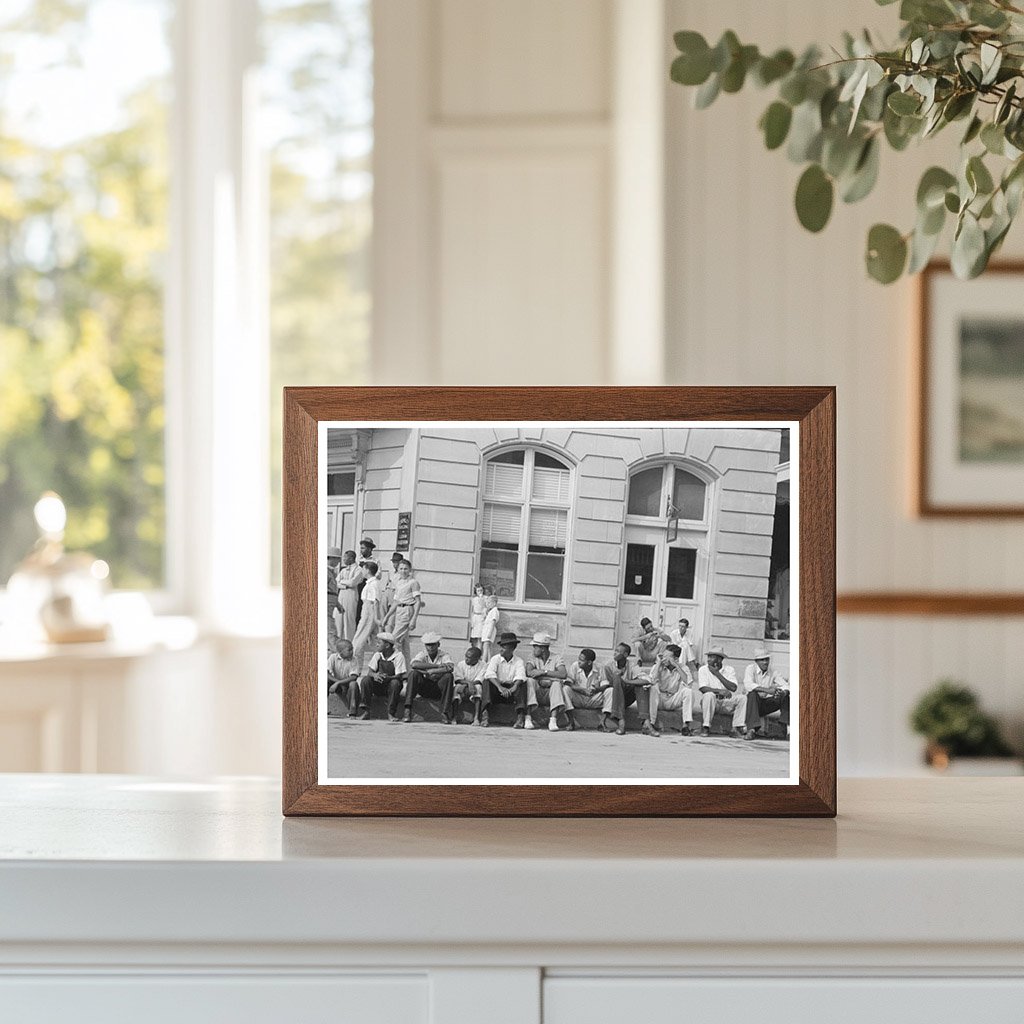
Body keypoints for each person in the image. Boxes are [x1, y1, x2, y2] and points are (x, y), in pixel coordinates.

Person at [549, 648, 615, 732]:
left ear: (589, 662)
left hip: (593, 698)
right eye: (579, 659)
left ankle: (602, 723)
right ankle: (571, 722)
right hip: (579, 697)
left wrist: (596, 689)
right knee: (566, 689)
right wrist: (583, 690)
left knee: (610, 691)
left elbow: (605, 684)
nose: (579, 661)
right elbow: (568, 683)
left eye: (582, 660)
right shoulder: (575, 666)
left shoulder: (599, 667)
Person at [482, 631, 535, 729]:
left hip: (511, 692)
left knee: (522, 684)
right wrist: (500, 687)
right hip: (498, 691)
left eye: (503, 647)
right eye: (501, 647)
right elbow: (489, 673)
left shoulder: (518, 661)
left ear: (511, 649)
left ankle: (520, 717)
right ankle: (485, 715)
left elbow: (521, 675)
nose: (500, 650)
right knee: (487, 681)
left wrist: (514, 687)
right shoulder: (495, 659)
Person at [696, 644, 748, 737]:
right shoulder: (703, 670)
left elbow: (733, 688)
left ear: (719, 660)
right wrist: (720, 691)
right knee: (709, 695)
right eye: (708, 657)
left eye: (712, 657)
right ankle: (706, 727)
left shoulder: (729, 669)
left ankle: (736, 728)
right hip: (711, 702)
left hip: (725, 701)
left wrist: (717, 674)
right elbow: (703, 688)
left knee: (743, 698)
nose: (708, 659)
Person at [356, 631, 407, 722]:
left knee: (395, 683)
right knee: (366, 680)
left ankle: (391, 713)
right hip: (379, 686)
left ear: (387, 645)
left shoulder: (398, 656)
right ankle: (366, 711)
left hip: (391, 687)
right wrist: (375, 675)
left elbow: (399, 675)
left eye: (379, 643)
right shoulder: (377, 655)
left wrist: (387, 678)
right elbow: (370, 672)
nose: (376, 645)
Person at [406, 631, 456, 724]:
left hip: (438, 688)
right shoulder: (422, 654)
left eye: (433, 645)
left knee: (449, 676)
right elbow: (414, 664)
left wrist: (433, 671)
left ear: (438, 644)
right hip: (424, 687)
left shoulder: (444, 655)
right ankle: (408, 708)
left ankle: (445, 712)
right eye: (428, 645)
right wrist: (436, 667)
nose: (430, 648)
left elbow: (450, 667)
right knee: (413, 674)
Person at [743, 646, 790, 740]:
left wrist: (783, 692)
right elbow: (748, 685)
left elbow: (786, 685)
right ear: (756, 661)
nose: (765, 662)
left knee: (786, 696)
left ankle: (787, 729)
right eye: (762, 660)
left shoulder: (773, 671)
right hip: (752, 705)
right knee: (752, 694)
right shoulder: (750, 669)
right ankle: (751, 730)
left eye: (767, 659)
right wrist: (767, 690)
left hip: (766, 703)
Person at [648, 644, 695, 737]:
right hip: (660, 699)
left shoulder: (683, 667)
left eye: (667, 657)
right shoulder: (658, 666)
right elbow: (652, 680)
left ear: (676, 659)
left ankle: (686, 725)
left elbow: (688, 683)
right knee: (653, 688)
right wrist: (658, 664)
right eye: (663, 656)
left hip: (673, 699)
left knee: (688, 692)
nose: (664, 659)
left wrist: (677, 666)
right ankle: (651, 722)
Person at [605, 642, 650, 735]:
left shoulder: (632, 665)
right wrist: (620, 681)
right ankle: (621, 720)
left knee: (642, 686)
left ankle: (646, 721)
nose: (615, 653)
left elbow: (646, 680)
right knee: (617, 677)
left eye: (618, 651)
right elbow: (606, 684)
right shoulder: (608, 665)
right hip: (614, 698)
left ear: (625, 654)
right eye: (615, 651)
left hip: (627, 696)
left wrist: (627, 682)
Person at [386, 558, 422, 665]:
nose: (403, 571)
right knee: (404, 643)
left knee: (394, 640)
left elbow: (418, 601)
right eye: (401, 568)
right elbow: (396, 601)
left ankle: (393, 665)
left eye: (406, 569)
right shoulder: (399, 583)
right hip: (399, 611)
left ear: (410, 570)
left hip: (407, 610)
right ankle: (407, 670)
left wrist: (414, 619)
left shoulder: (413, 582)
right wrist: (387, 617)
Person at [525, 632, 567, 715]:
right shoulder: (532, 657)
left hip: (551, 693)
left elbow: (563, 674)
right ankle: (528, 717)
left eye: (535, 647)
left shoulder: (556, 657)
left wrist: (543, 672)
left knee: (556, 684)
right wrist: (552, 677)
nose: (533, 649)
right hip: (537, 692)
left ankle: (553, 719)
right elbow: (529, 673)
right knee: (530, 681)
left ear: (543, 648)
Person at [351, 560, 382, 668]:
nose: (362, 571)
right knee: (375, 642)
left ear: (368, 570)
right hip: (367, 609)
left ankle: (356, 667)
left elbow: (375, 602)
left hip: (369, 612)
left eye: (363, 569)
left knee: (358, 640)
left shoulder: (373, 584)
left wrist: (375, 617)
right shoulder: (372, 583)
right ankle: (376, 665)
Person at [454, 645, 488, 725]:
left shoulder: (483, 665)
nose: (466, 659)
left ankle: (476, 718)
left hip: (475, 685)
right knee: (456, 689)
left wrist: (471, 685)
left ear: (476, 659)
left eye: (469, 657)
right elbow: (458, 678)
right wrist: (468, 684)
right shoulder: (461, 664)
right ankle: (454, 716)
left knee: (478, 688)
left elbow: (480, 679)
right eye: (466, 656)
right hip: (463, 685)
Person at [326, 638, 359, 716]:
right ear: (340, 652)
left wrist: (338, 683)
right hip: (335, 683)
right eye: (349, 650)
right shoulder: (333, 657)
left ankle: (352, 710)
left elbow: (354, 677)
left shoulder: (354, 659)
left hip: (347, 684)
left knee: (353, 684)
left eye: (352, 649)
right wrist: (336, 682)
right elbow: (326, 673)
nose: (352, 652)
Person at [335, 550, 361, 641]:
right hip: (342, 594)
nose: (344, 560)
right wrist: (344, 584)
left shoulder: (358, 569)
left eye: (345, 558)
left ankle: (348, 641)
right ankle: (338, 641)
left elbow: (353, 583)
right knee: (338, 618)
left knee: (348, 619)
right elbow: (336, 582)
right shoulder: (343, 570)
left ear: (351, 558)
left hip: (351, 594)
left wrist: (342, 583)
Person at [668, 616, 700, 682]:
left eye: (683, 626)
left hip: (685, 651)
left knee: (685, 646)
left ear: (686, 627)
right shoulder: (674, 633)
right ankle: (693, 661)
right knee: (684, 645)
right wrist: (682, 644)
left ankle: (682, 663)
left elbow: (690, 645)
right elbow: (674, 646)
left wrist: (683, 644)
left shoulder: (690, 633)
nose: (681, 628)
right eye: (679, 626)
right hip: (675, 651)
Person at [354, 537, 376, 622]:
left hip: (369, 585)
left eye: (363, 548)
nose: (361, 550)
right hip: (358, 585)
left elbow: (379, 575)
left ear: (369, 549)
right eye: (361, 548)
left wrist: (369, 571)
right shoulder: (358, 560)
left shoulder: (375, 561)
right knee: (357, 607)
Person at [326, 547, 342, 653]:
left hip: (331, 603)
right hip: (327, 603)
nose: (338, 561)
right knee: (330, 629)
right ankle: (335, 650)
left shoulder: (332, 572)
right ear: (330, 558)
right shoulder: (326, 572)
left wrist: (338, 604)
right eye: (336, 559)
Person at [479, 594, 500, 661]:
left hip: (489, 630)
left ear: (494, 603)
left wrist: (489, 633)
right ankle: (489, 660)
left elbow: (493, 622)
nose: (487, 604)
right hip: (487, 630)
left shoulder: (495, 611)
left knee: (486, 646)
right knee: (488, 647)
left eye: (489, 603)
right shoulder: (491, 611)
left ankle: (484, 662)